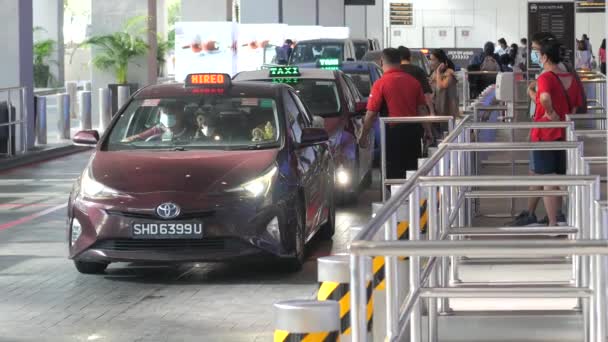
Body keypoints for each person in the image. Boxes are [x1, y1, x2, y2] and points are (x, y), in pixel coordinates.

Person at [509, 39, 584, 227]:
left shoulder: (545, 77)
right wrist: (563, 119)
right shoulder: (571, 78)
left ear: (545, 57)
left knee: (547, 179)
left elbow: (544, 97)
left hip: (545, 134)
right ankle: (557, 216)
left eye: (538, 53)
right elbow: (574, 106)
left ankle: (552, 224)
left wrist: (550, 113)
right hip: (564, 134)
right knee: (556, 175)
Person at [358, 48, 432, 179]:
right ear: (400, 62)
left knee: (392, 175)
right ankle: (412, 198)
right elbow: (422, 109)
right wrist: (428, 131)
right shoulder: (413, 82)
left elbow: (371, 114)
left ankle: (394, 198)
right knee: (412, 172)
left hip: (392, 135)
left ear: (381, 62)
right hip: (413, 134)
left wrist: (363, 136)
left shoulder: (380, 84)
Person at [123, 103, 190, 142]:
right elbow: (135, 138)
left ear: (181, 113)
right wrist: (127, 141)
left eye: (171, 112)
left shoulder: (192, 130)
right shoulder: (157, 129)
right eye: (165, 112)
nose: (168, 115)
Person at [398, 46, 435, 116]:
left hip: (397, 113)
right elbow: (426, 93)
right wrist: (431, 111)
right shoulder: (418, 71)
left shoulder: (394, 72)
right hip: (417, 113)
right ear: (410, 57)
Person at [429, 49, 459, 118]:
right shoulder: (434, 73)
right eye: (430, 60)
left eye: (433, 60)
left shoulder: (449, 73)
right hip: (436, 110)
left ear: (440, 61)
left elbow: (441, 87)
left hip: (446, 113)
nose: (431, 62)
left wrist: (438, 72)